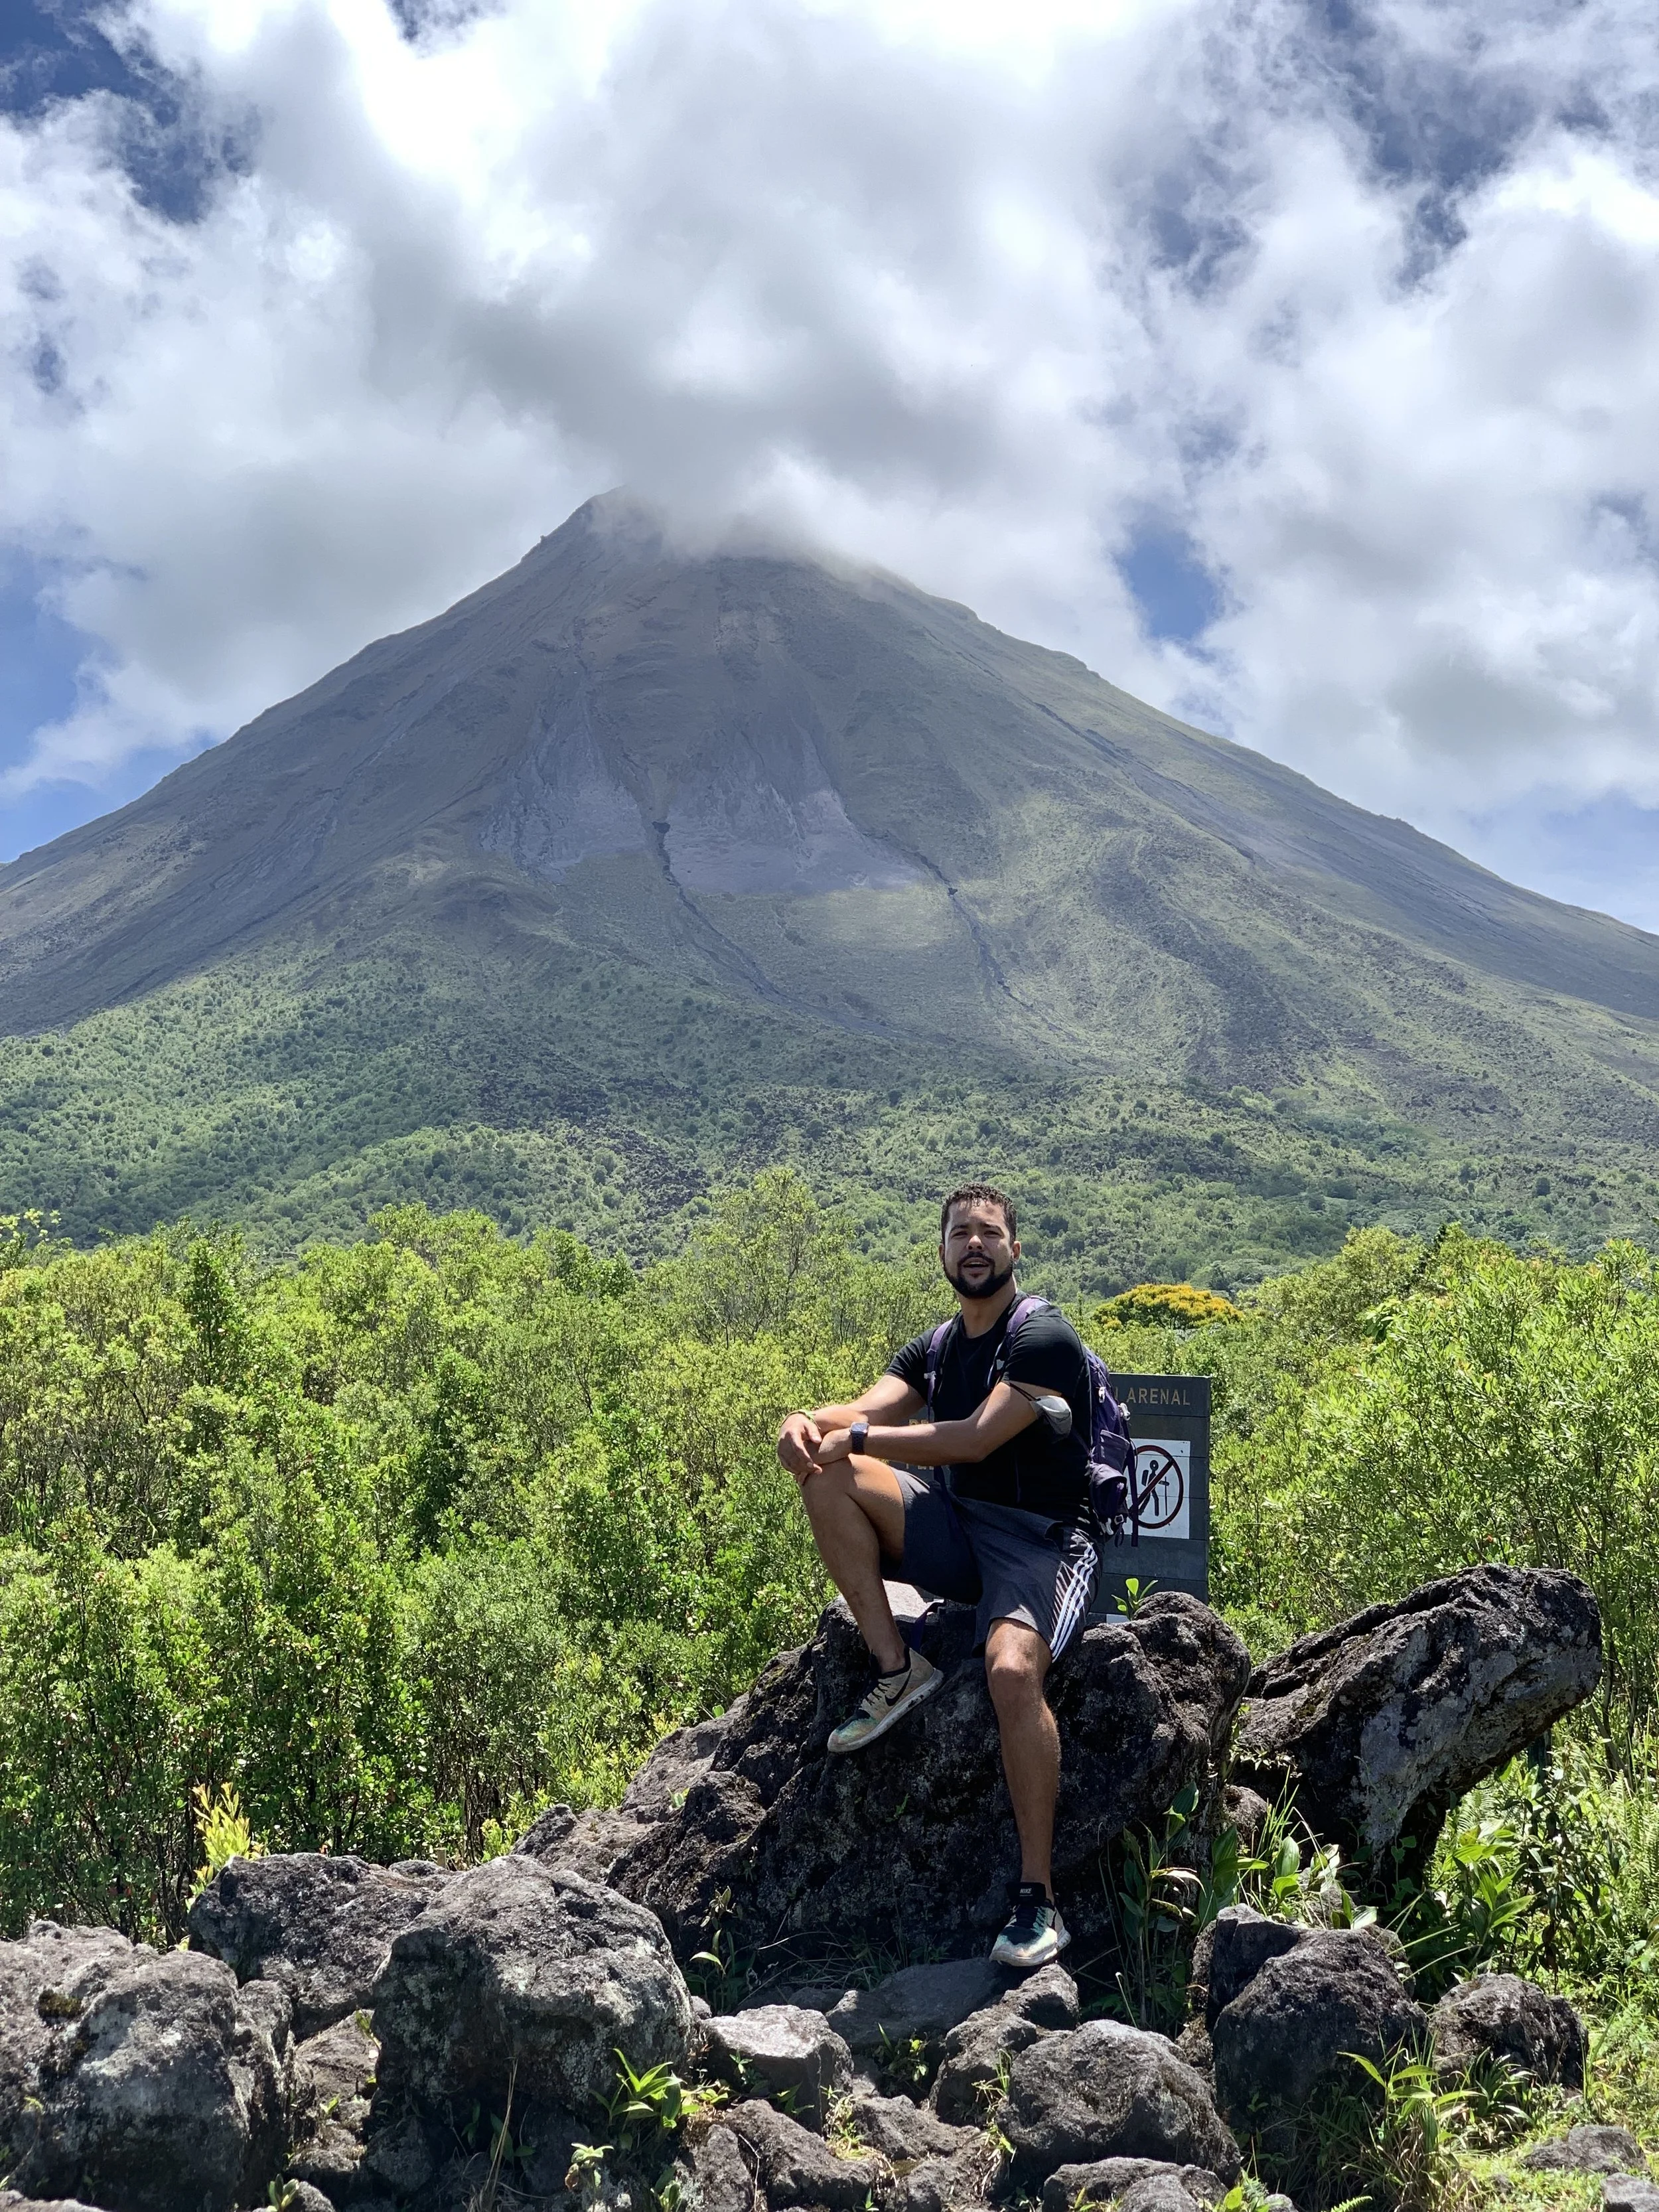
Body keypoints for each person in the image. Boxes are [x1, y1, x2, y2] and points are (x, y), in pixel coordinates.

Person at [775, 1182, 1097, 1970]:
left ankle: (1036, 1898)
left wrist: (850, 1435)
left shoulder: (1043, 1338)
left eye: (990, 1233)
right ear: (943, 1251)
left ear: (1015, 1250)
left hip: (1041, 1543)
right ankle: (898, 1668)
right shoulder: (937, 1347)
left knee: (1011, 1673)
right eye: (961, 1234)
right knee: (827, 1476)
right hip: (959, 1532)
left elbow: (973, 1441)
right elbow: (866, 1409)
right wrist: (803, 1425)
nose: (975, 1245)